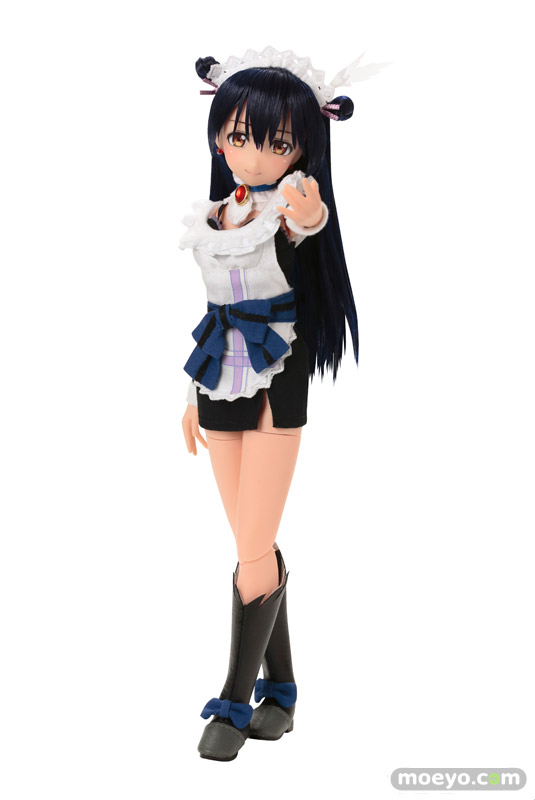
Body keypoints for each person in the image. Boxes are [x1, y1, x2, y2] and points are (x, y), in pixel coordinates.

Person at [179, 46, 375, 762]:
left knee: (251, 545)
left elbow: (309, 222)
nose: (252, 153)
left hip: (275, 380)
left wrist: (312, 206)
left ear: (302, 146)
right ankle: (283, 693)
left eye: (275, 141)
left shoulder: (289, 209)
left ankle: (234, 701)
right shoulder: (219, 211)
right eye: (238, 136)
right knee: (249, 544)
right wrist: (190, 393)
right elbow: (213, 309)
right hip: (215, 378)